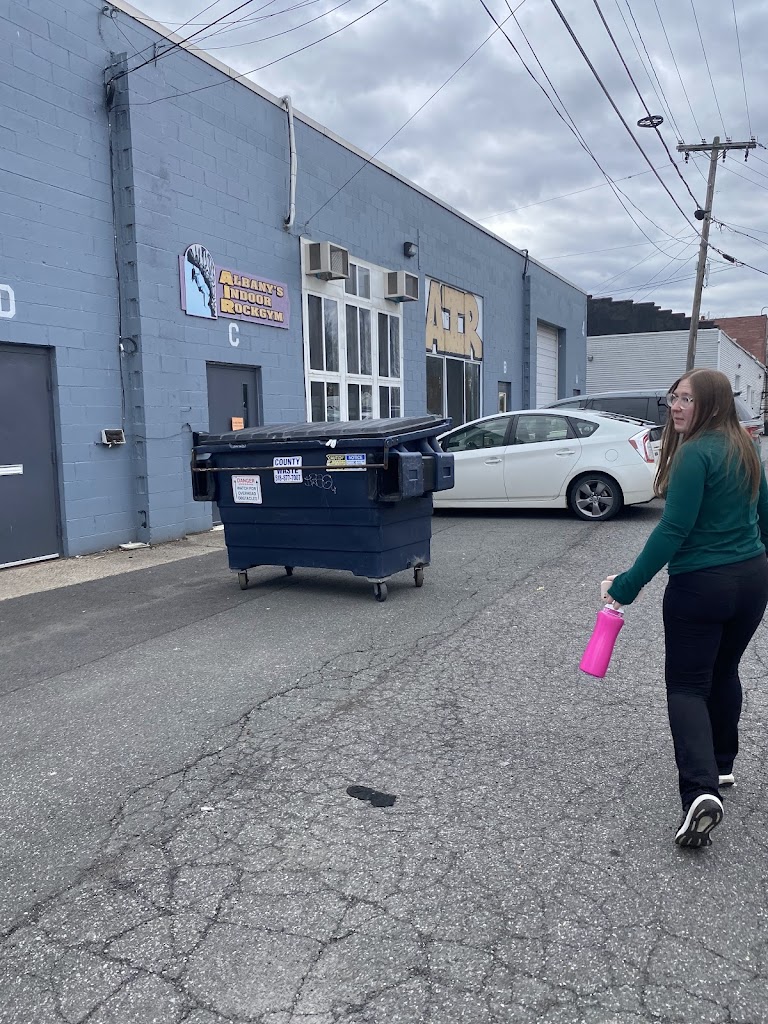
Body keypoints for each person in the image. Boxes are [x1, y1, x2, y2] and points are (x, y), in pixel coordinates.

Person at [604, 368, 768, 848]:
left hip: (701, 586)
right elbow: (764, 516)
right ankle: (721, 763)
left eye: (688, 399)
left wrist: (627, 585)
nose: (676, 407)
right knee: (723, 671)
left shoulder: (695, 454)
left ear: (712, 403)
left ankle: (700, 792)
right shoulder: (745, 447)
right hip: (751, 579)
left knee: (687, 687)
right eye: (673, 397)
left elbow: (673, 529)